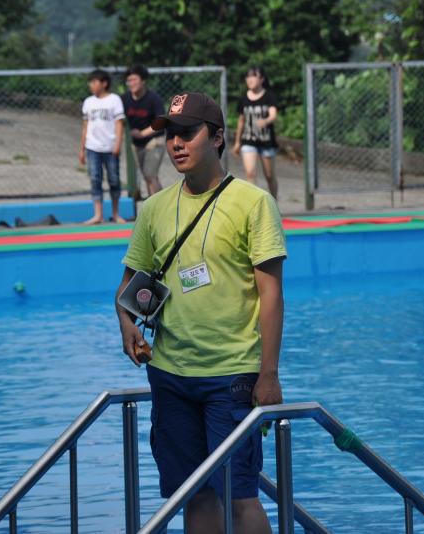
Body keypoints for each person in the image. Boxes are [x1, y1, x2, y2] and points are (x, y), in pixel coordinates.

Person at [116, 92, 287, 533]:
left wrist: (268, 374)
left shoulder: (254, 203)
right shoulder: (154, 208)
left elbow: (271, 294)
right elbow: (129, 285)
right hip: (170, 376)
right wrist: (126, 324)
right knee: (194, 495)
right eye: (170, 134)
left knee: (241, 496)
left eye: (188, 133)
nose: (176, 143)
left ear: (217, 138)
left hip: (231, 376)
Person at [80, 69, 126, 225]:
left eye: (94, 82)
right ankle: (98, 215)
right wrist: (82, 149)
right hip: (92, 147)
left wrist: (117, 144)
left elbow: (119, 124)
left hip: (110, 147)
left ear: (104, 83)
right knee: (95, 179)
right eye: (90, 82)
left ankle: (116, 214)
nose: (91, 85)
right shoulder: (88, 102)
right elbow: (85, 126)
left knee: (114, 180)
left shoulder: (114, 100)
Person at [232, 66, 279, 199]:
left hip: (266, 141)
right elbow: (241, 121)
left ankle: (274, 202)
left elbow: (273, 115)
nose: (250, 79)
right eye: (248, 76)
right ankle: (254, 205)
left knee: (269, 175)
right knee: (250, 173)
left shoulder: (269, 96)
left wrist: (266, 121)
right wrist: (237, 142)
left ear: (262, 79)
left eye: (254, 76)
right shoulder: (243, 99)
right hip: (248, 140)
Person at [121, 64, 166, 198]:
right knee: (143, 177)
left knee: (150, 175)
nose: (131, 83)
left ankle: (160, 205)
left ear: (143, 80)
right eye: (129, 80)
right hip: (135, 144)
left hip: (154, 140)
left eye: (134, 79)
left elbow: (161, 122)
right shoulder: (125, 99)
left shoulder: (154, 99)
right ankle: (153, 204)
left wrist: (142, 134)